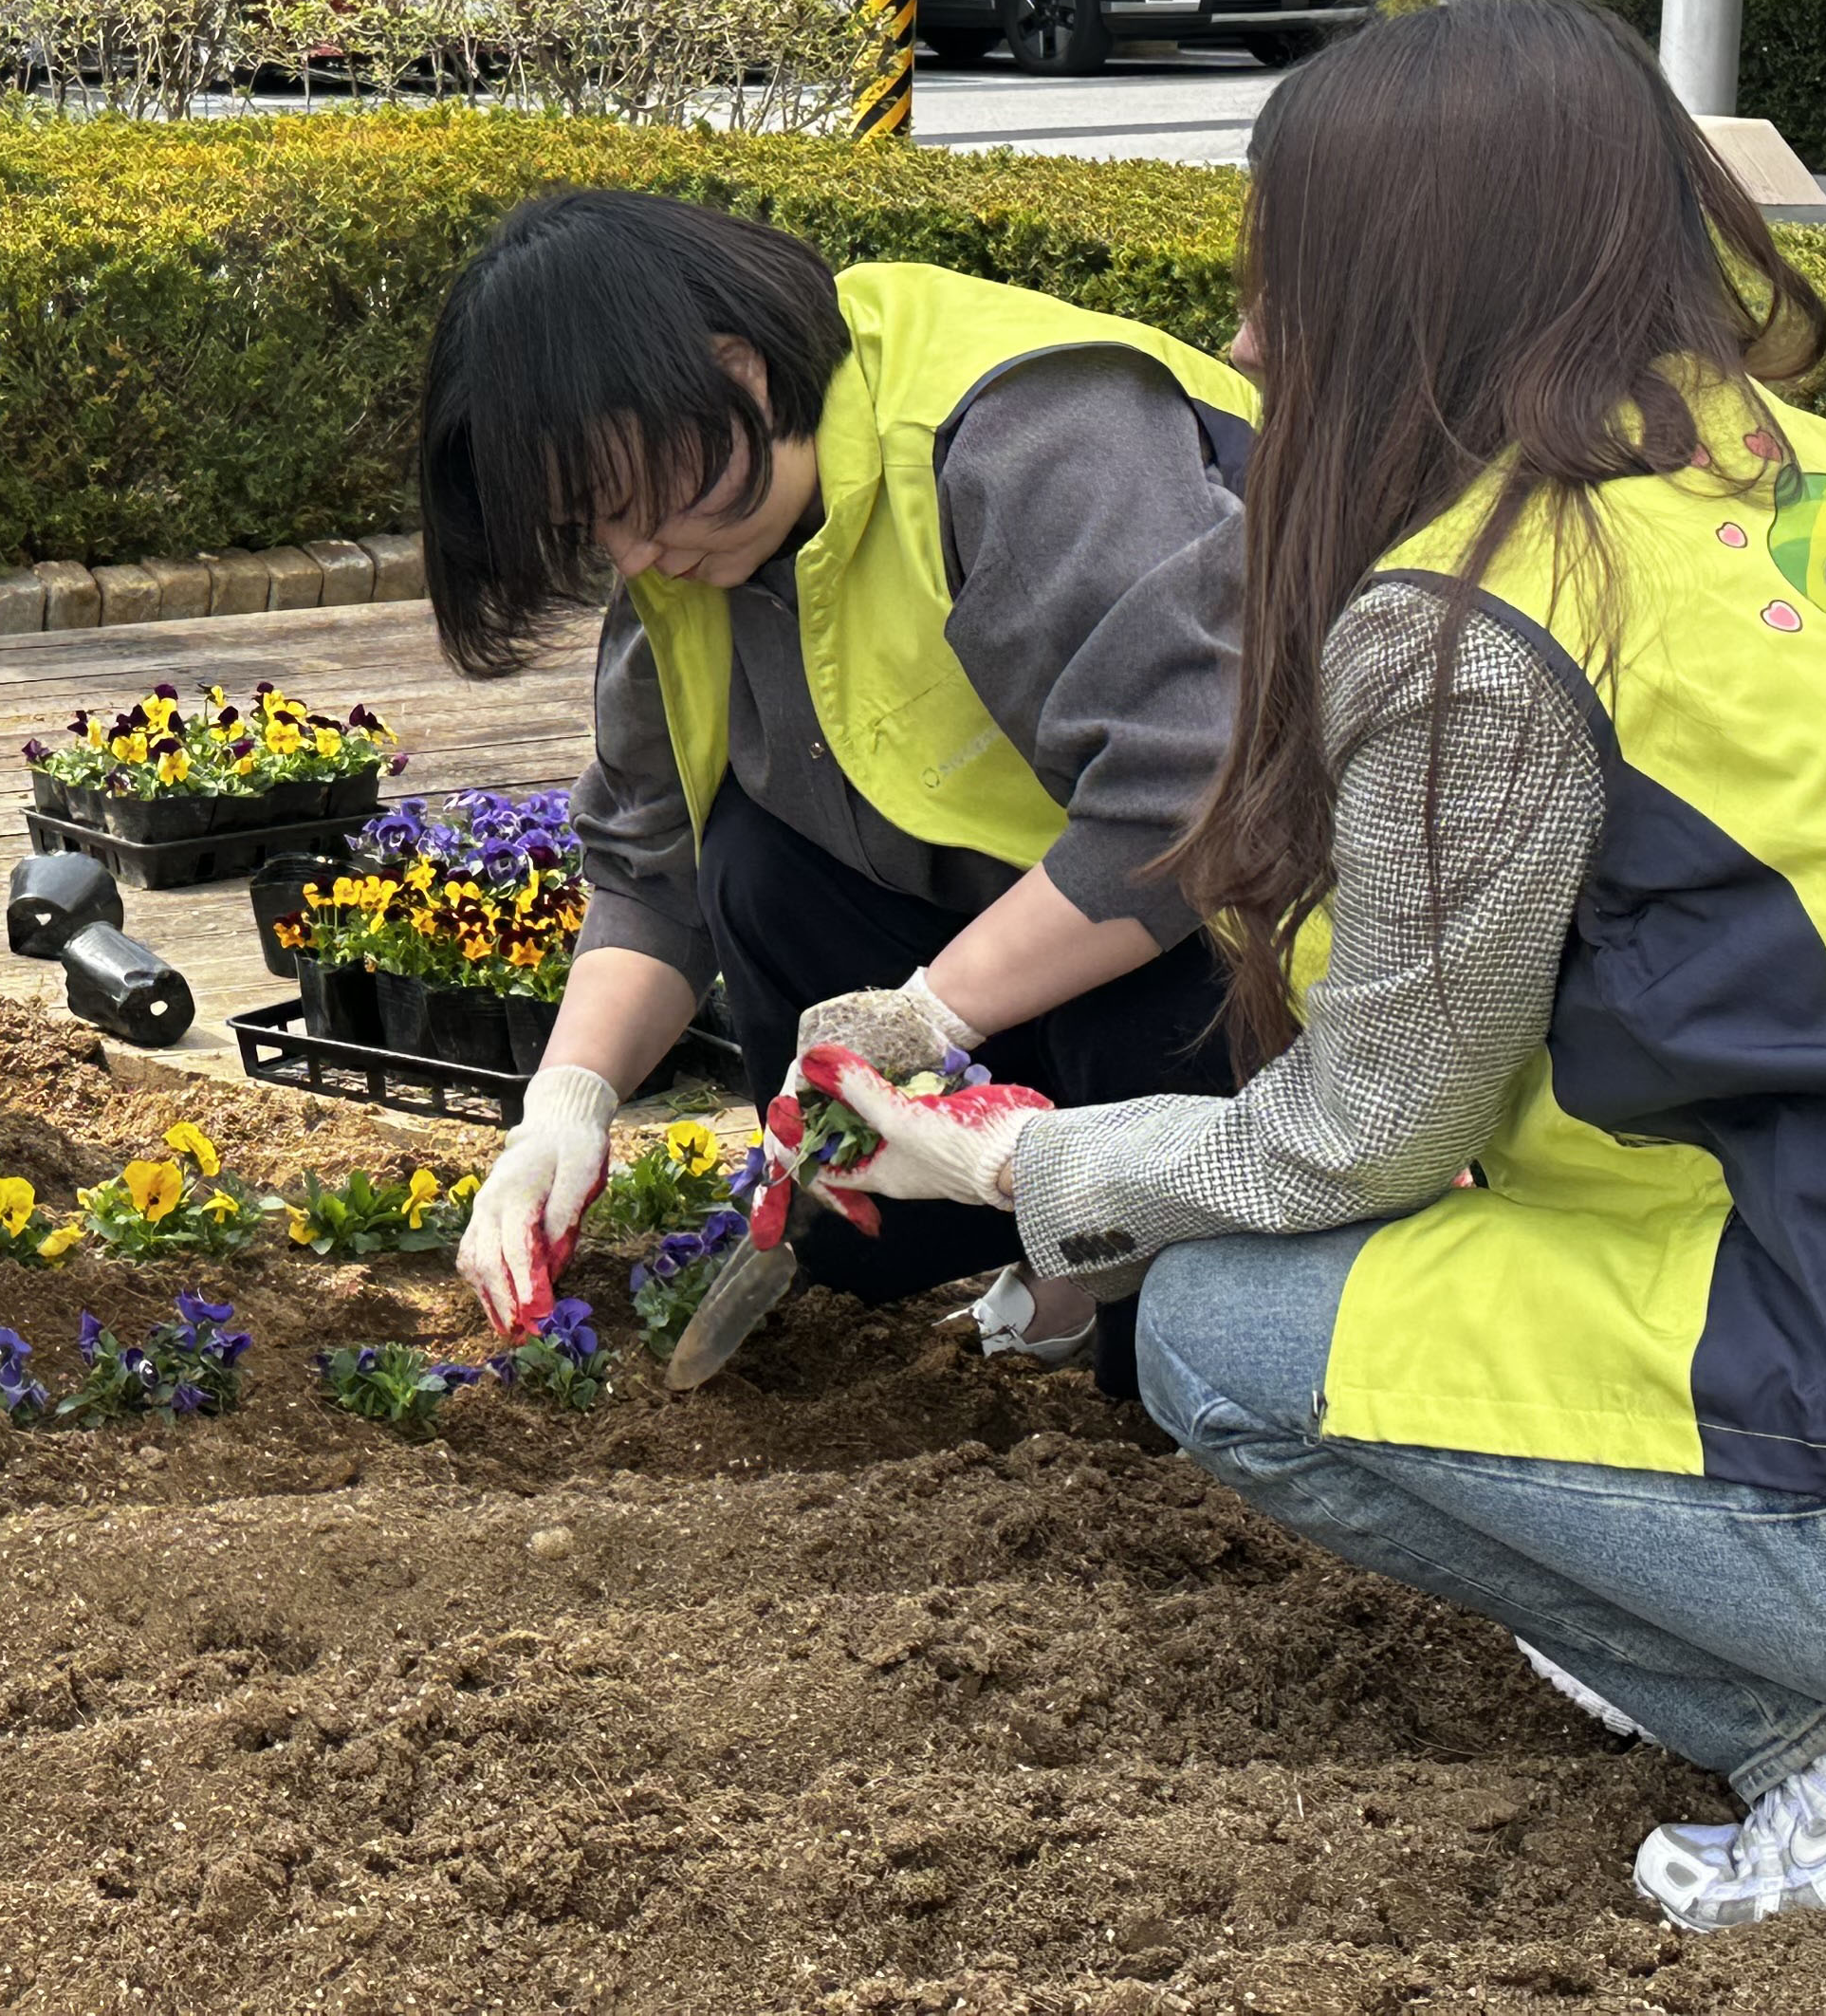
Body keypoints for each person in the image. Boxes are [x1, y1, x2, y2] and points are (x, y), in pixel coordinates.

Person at [807, 0, 1826, 1931]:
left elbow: (1365, 1135)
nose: (1239, 341)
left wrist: (1003, 1166)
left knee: (1228, 1341)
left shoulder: (1492, 605)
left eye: (1277, 279)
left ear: (1414, 290)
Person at [431, 190, 1259, 1376]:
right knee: (757, 864)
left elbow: (1193, 804)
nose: (633, 558)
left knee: (1181, 1377)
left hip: (1270, 946)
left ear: (740, 375)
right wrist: (564, 1109)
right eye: (590, 527)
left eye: (628, 507)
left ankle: (1133, 1284)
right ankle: (1033, 1241)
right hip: (1048, 937)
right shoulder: (694, 538)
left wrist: (932, 1018)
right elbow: (650, 873)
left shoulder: (1025, 431)